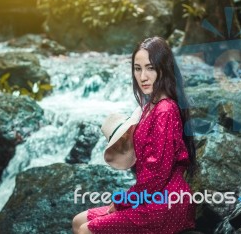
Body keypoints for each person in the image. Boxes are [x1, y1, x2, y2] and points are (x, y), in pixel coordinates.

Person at [72, 36, 197, 234]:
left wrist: (122, 201)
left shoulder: (165, 109)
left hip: (165, 203)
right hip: (150, 196)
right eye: (137, 69)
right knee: (78, 221)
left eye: (150, 68)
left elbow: (157, 176)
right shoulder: (149, 106)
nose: (143, 76)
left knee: (86, 229)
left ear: (163, 69)